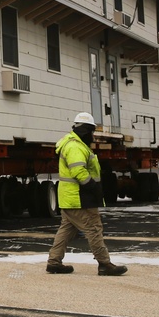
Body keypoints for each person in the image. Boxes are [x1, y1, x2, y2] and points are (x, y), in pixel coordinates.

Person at [46, 112, 128, 276]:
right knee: (94, 228)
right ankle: (104, 264)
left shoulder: (73, 143)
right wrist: (92, 186)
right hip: (79, 197)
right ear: (85, 130)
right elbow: (78, 170)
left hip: (70, 198)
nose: (92, 136)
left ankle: (54, 262)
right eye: (91, 132)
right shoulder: (75, 146)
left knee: (67, 229)